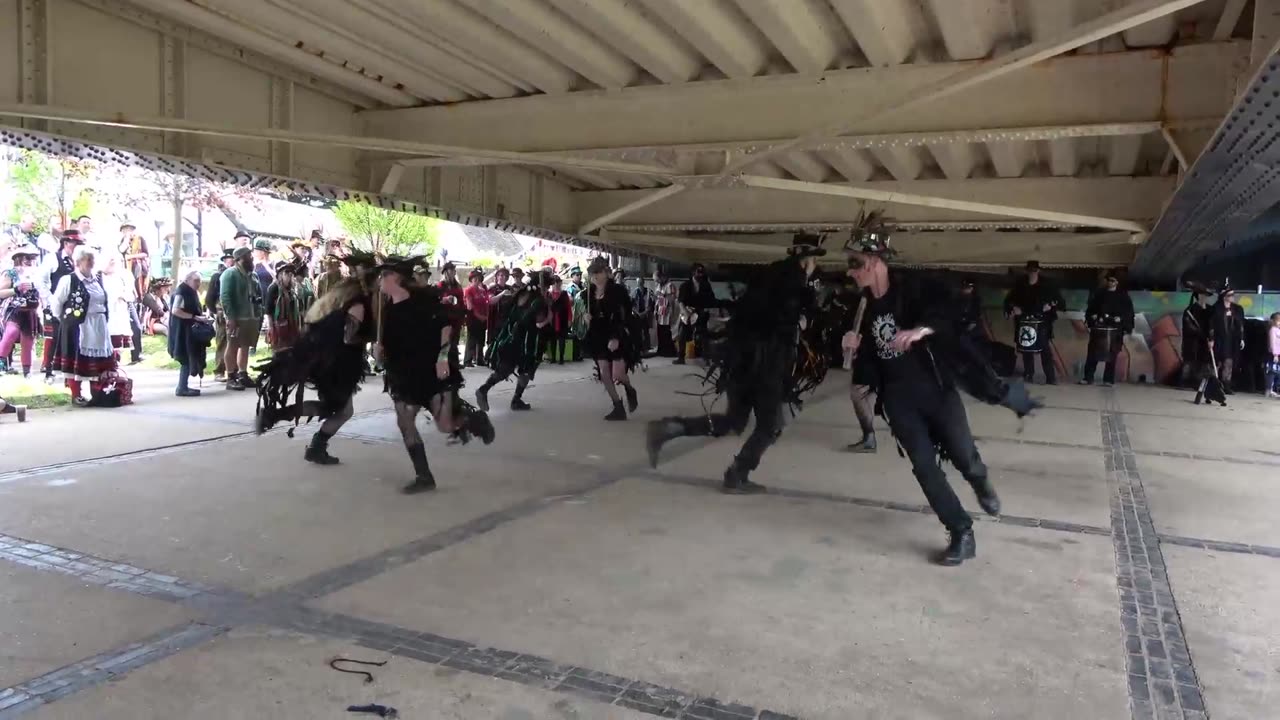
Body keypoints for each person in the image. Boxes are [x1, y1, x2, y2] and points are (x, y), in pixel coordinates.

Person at [841, 237, 1040, 566]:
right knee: (924, 467)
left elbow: (951, 313)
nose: (850, 273)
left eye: (854, 264)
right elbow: (867, 366)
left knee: (963, 454)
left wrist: (922, 329)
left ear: (874, 262)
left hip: (936, 390)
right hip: (898, 400)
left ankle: (980, 481)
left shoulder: (914, 289)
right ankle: (961, 531)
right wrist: (853, 346)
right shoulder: (861, 308)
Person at [647, 235, 827, 493]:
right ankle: (737, 474)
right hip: (766, 364)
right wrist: (801, 321)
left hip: (740, 360)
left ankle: (670, 428)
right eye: (813, 260)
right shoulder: (796, 285)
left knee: (734, 420)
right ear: (808, 260)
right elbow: (788, 322)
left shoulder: (768, 276)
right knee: (769, 426)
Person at [372, 256, 495, 493]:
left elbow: (446, 327)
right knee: (404, 422)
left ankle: (473, 420)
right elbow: (384, 353)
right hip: (403, 376)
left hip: (432, 371)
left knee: (445, 426)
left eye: (383, 275)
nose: (379, 280)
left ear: (395, 278)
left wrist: (441, 358)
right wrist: (378, 354)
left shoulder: (424, 301)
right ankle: (424, 476)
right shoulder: (386, 310)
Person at [255, 250, 379, 464]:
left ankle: (285, 423)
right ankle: (310, 442)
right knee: (342, 410)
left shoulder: (343, 295)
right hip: (338, 363)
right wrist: (370, 341)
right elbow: (349, 338)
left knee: (336, 408)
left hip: (331, 360)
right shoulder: (358, 303)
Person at [48, 247, 115, 406]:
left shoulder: (97, 279)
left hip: (98, 325)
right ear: (78, 262)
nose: (91, 262)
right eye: (88, 259)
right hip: (79, 326)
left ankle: (98, 392)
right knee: (76, 360)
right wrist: (66, 322)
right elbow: (56, 303)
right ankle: (76, 394)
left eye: (92, 259)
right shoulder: (69, 280)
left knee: (98, 361)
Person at [476, 270, 550, 412]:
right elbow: (539, 323)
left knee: (508, 369)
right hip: (526, 341)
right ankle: (510, 398)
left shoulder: (521, 294)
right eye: (547, 287)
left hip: (510, 337)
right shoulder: (538, 300)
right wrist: (548, 317)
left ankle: (489, 391)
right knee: (525, 370)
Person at [583, 257, 639, 420]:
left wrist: (616, 337)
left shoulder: (617, 291)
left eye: (598, 272)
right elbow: (591, 314)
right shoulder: (588, 293)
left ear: (606, 273)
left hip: (617, 334)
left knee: (618, 374)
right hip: (598, 336)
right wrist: (588, 318)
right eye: (592, 273)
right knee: (604, 373)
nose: (595, 276)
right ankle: (618, 406)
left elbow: (624, 316)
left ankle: (629, 389)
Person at [1003, 260, 1064, 384]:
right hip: (1024, 322)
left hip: (1042, 322)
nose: (1032, 273)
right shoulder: (1020, 285)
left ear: (1038, 271)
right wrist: (1012, 309)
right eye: (1030, 270)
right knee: (1026, 349)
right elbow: (1008, 301)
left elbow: (1060, 302)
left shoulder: (1047, 286)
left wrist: (1051, 306)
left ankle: (1050, 378)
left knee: (1045, 350)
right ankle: (1029, 374)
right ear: (1027, 271)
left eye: (1034, 270)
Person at [37, 228, 85, 383]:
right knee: (54, 338)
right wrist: (50, 299)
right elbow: (40, 281)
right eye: (74, 243)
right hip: (55, 306)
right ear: (66, 243)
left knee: (74, 339)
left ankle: (69, 374)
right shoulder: (53, 258)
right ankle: (49, 372)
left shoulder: (79, 261)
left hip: (75, 308)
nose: (76, 246)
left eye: (79, 243)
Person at [1080, 270, 1135, 387]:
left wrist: (1121, 319)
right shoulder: (1100, 294)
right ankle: (1088, 377)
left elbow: (1129, 313)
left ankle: (1108, 380)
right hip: (1099, 329)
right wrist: (1092, 316)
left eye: (1112, 281)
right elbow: (1091, 310)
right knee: (1092, 354)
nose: (1110, 282)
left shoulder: (1123, 297)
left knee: (1112, 355)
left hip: (1115, 330)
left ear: (1117, 282)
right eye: (1108, 280)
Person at [220, 247, 261, 391]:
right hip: (237, 318)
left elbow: (258, 296)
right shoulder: (230, 274)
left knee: (245, 346)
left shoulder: (253, 275)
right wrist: (230, 317)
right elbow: (225, 296)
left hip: (251, 317)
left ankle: (243, 374)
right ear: (239, 259)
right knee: (232, 345)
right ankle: (230, 376)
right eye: (248, 256)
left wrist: (259, 313)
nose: (251, 258)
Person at [0, 243, 42, 377]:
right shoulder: (10, 273)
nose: (30, 261)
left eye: (32, 257)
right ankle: (1, 364)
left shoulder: (37, 274)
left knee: (28, 341)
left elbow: (44, 290)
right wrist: (15, 289)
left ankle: (27, 372)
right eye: (27, 258)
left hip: (30, 311)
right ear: (18, 258)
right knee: (10, 334)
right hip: (14, 310)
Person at [169, 270, 208, 397]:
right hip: (182, 331)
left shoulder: (190, 291)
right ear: (187, 280)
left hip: (188, 330)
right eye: (196, 281)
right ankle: (182, 387)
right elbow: (176, 310)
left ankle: (183, 386)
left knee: (188, 356)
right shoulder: (181, 292)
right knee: (185, 356)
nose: (198, 284)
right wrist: (195, 317)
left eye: (199, 281)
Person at [675, 263, 717, 364]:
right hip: (687, 312)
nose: (700, 274)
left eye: (702, 271)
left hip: (701, 312)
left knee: (703, 335)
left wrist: (709, 309)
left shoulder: (706, 285)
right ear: (693, 272)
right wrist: (686, 313)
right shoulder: (685, 285)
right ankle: (681, 358)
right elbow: (681, 301)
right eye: (698, 271)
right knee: (682, 335)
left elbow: (711, 299)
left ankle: (706, 358)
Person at [205, 249, 235, 380]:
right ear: (224, 260)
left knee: (235, 342)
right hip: (221, 311)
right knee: (222, 342)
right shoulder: (218, 276)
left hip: (235, 311)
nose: (232, 261)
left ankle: (234, 370)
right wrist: (215, 312)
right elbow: (209, 297)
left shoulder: (238, 275)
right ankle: (219, 370)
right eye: (229, 259)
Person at [101, 255, 135, 360]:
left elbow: (131, 295)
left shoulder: (124, 276)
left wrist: (123, 295)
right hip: (105, 313)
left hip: (119, 313)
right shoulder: (100, 277)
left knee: (117, 345)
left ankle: (116, 365)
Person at [1211, 288, 1244, 394]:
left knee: (1228, 361)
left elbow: (1241, 325)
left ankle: (1226, 385)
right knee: (1217, 362)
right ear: (1224, 296)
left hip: (1232, 340)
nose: (1232, 297)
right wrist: (1211, 338)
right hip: (1219, 339)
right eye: (1230, 295)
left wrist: (1242, 338)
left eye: (1233, 294)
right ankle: (1214, 384)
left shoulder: (1237, 309)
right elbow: (1211, 324)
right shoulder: (1216, 308)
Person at [265, 261, 303, 352]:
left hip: (291, 323)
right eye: (286, 273)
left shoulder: (292, 290)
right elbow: (268, 309)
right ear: (280, 275)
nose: (289, 276)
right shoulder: (273, 288)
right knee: (279, 349)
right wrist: (270, 327)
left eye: (291, 274)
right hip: (278, 324)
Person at [462, 269, 491, 367]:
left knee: (481, 340)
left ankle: (479, 359)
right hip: (473, 318)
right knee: (472, 339)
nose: (477, 280)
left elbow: (487, 303)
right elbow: (470, 306)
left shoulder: (483, 291)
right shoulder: (468, 290)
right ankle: (468, 360)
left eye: (479, 278)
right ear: (471, 279)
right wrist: (479, 316)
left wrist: (485, 316)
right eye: (475, 278)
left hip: (483, 318)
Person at [118, 221, 150, 300]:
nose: (127, 231)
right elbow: (121, 250)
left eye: (129, 229)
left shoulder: (139, 239)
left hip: (139, 267)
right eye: (125, 230)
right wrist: (126, 240)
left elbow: (145, 253)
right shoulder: (123, 241)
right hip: (127, 268)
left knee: (138, 286)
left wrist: (131, 256)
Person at [545, 275, 572, 364]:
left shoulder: (564, 294)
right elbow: (546, 308)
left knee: (562, 339)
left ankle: (561, 358)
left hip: (562, 319)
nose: (556, 284)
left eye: (558, 282)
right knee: (552, 339)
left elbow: (568, 308)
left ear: (560, 283)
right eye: (554, 283)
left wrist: (569, 319)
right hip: (552, 320)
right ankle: (552, 358)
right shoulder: (549, 294)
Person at [654, 269, 679, 357]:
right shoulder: (659, 285)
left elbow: (672, 299)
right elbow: (657, 298)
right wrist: (655, 310)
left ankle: (669, 351)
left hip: (667, 312)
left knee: (666, 333)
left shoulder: (670, 285)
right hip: (660, 311)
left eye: (657, 280)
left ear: (662, 277)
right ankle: (661, 350)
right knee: (660, 332)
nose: (657, 282)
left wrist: (662, 295)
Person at [631, 276, 655, 354]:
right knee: (637, 332)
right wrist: (638, 313)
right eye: (638, 282)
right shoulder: (634, 292)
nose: (640, 283)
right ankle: (639, 348)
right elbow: (632, 305)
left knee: (646, 331)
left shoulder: (648, 291)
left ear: (643, 282)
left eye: (641, 282)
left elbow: (651, 304)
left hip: (646, 314)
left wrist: (644, 313)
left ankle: (647, 347)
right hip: (637, 315)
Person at [1265, 313, 1280, 399]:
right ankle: (1269, 390)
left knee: (1277, 372)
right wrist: (1275, 354)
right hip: (1273, 354)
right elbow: (1272, 343)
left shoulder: (1278, 330)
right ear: (1273, 321)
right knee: (1272, 371)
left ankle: (1274, 389)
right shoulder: (1272, 330)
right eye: (1278, 320)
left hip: (1278, 354)